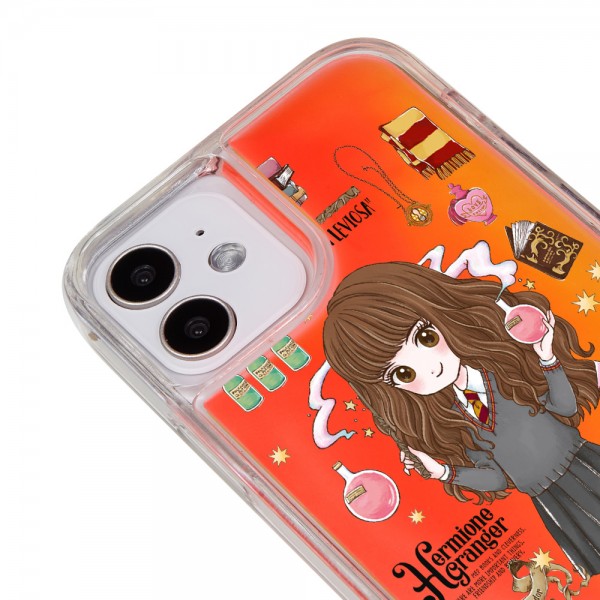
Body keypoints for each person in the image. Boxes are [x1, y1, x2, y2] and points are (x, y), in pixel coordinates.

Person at [322, 259, 600, 576]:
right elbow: (498, 478)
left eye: (426, 338)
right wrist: (443, 472)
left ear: (439, 313)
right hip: (552, 503)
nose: (431, 369)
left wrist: (547, 359)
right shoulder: (447, 422)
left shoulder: (505, 367)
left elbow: (565, 409)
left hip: (587, 465)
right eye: (403, 373)